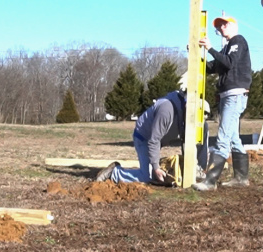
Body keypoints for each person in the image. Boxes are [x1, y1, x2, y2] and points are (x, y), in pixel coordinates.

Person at [95, 90, 208, 185]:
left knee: (154, 173)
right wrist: (156, 167)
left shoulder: (185, 112)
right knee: (147, 176)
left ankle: (148, 169)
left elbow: (186, 139)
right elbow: (154, 140)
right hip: (144, 137)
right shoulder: (167, 111)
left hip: (157, 140)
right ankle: (114, 173)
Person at [192, 15, 252, 191]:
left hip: (234, 95)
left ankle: (210, 182)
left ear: (233, 25)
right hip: (228, 95)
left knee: (223, 138)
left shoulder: (238, 41)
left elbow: (229, 63)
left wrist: (210, 48)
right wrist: (196, 55)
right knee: (234, 138)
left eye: (224, 24)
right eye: (219, 26)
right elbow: (215, 67)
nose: (221, 28)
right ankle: (241, 178)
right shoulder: (227, 47)